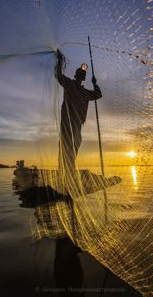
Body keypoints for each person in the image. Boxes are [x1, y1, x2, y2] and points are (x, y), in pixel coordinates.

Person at [55, 49, 102, 195]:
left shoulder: (84, 92)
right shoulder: (70, 85)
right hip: (68, 121)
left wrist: (95, 83)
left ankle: (68, 170)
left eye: (82, 75)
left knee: (73, 144)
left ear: (80, 77)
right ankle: (64, 171)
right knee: (67, 144)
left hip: (76, 123)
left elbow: (98, 94)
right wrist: (60, 61)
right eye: (80, 74)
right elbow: (57, 75)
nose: (80, 76)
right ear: (77, 76)